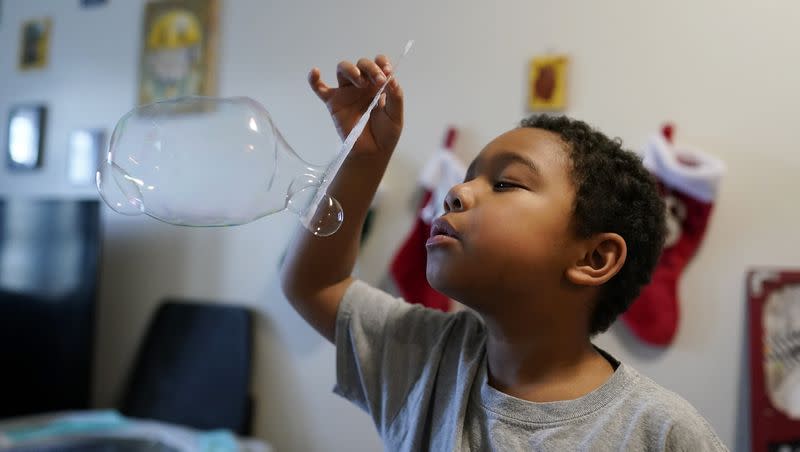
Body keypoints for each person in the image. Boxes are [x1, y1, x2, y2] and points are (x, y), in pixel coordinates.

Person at [280, 54, 727, 451]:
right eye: (467, 177)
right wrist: (363, 158)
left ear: (594, 259)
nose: (455, 191)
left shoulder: (662, 433)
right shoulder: (425, 360)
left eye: (505, 183)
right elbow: (314, 283)